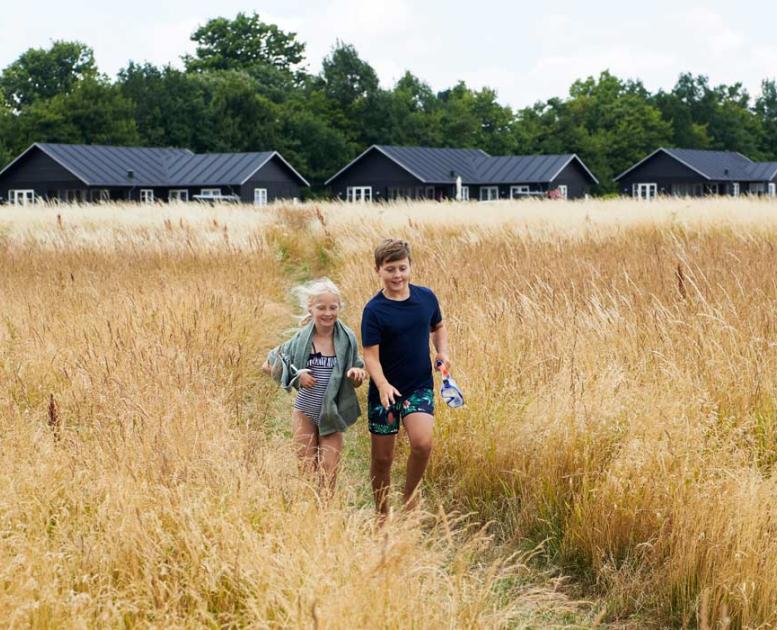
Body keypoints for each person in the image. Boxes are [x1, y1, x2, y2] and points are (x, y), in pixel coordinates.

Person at [361, 239, 450, 516]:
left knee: (422, 444)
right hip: (384, 391)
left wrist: (443, 353)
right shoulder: (374, 310)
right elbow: (370, 356)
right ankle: (381, 512)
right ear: (378, 270)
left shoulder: (426, 298)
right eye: (390, 269)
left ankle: (409, 498)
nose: (397, 275)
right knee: (382, 458)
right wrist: (383, 383)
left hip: (418, 385)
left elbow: (438, 326)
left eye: (402, 268)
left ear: (410, 266)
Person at [263, 278, 367, 491]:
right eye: (321, 307)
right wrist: (296, 376)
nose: (327, 313)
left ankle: (326, 515)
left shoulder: (347, 339)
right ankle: (310, 516)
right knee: (307, 470)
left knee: (329, 470)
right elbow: (268, 364)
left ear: (339, 308)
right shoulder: (300, 340)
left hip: (333, 412)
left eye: (333, 307)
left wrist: (357, 374)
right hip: (305, 411)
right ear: (310, 309)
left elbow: (357, 369)